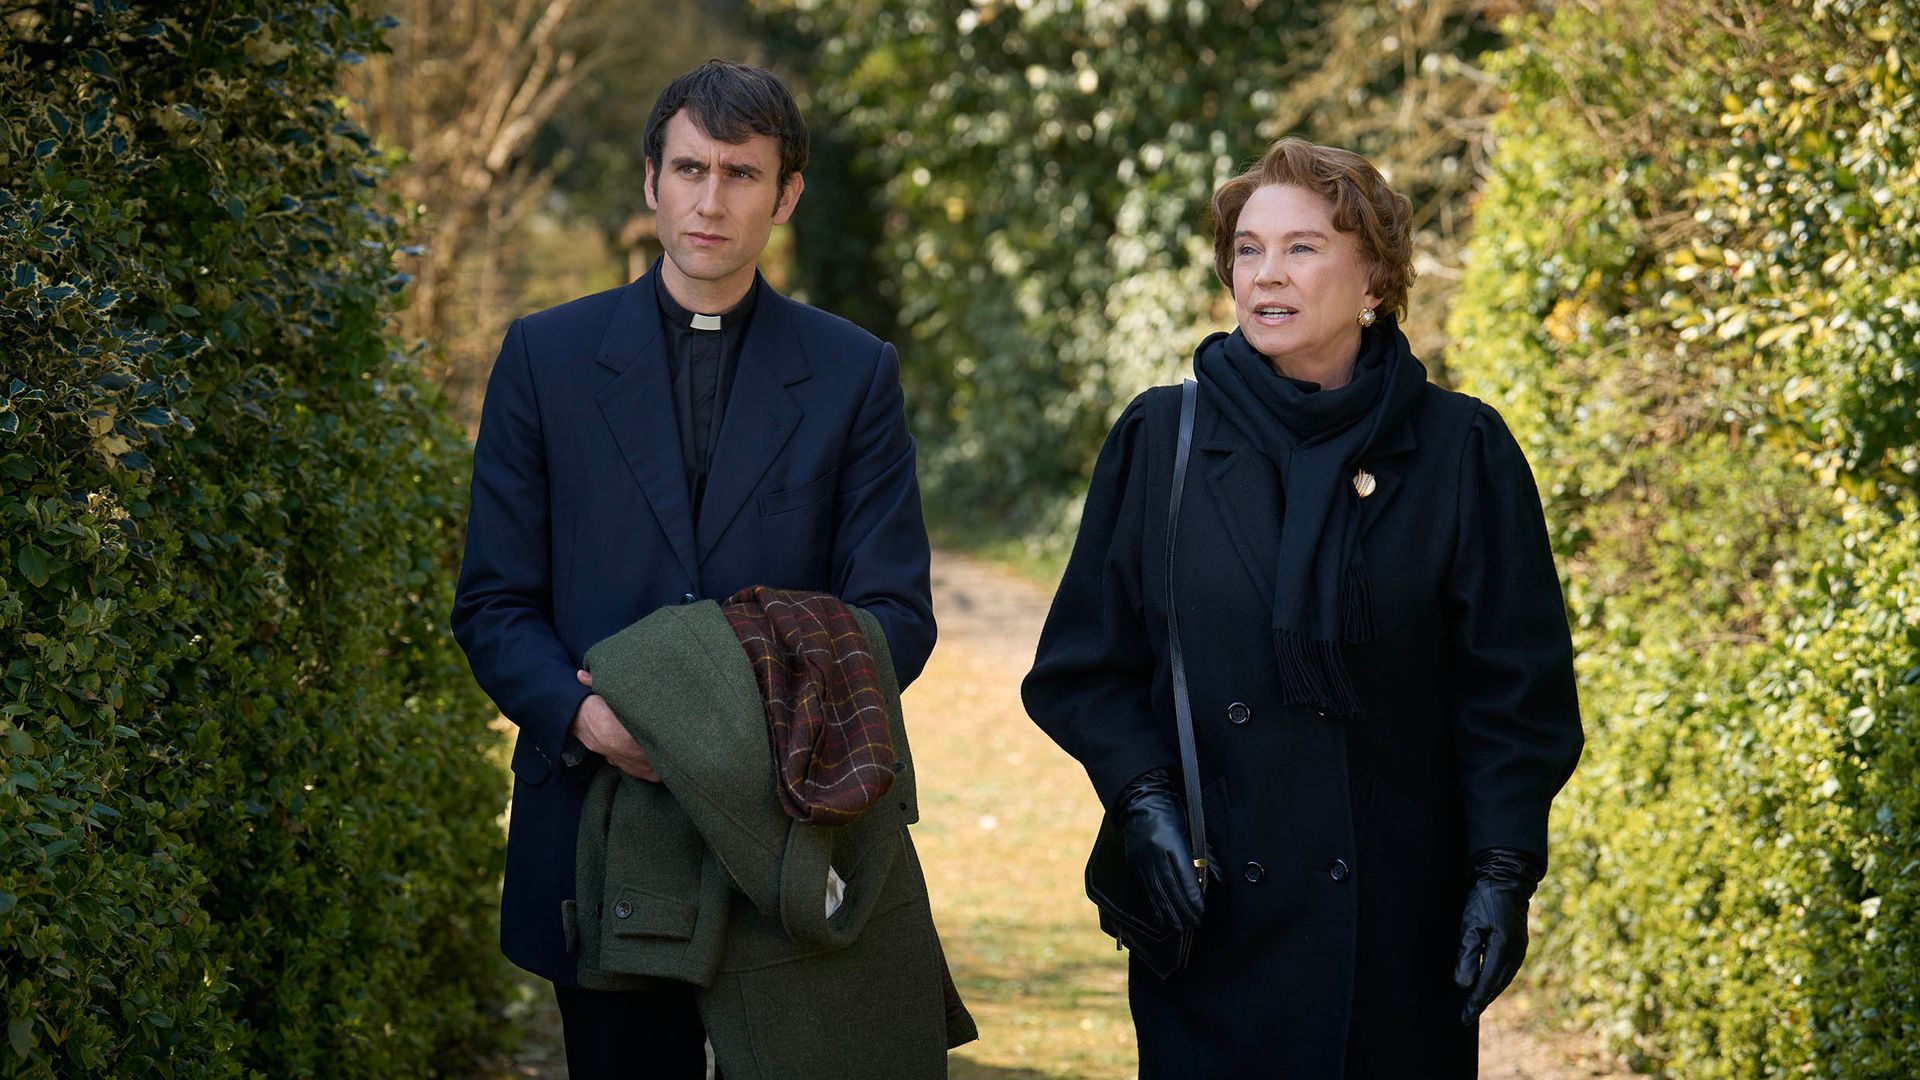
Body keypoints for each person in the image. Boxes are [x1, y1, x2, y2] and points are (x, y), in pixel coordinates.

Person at [1021, 137, 1583, 1078]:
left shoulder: (1461, 451)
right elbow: (1084, 668)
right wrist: (1146, 800)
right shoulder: (1162, 438)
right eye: (1248, 249)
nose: (1266, 275)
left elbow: (1514, 696)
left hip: (1400, 929)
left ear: (1375, 277)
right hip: (1213, 920)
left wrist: (1501, 872)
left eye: (1303, 247)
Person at [451, 60, 936, 1078]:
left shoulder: (853, 374)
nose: (711, 201)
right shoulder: (545, 358)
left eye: (742, 175)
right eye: (690, 169)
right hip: (593, 814)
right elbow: (495, 603)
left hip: (787, 822)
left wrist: (745, 733)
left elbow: (895, 611)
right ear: (651, 181)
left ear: (786, 194)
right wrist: (590, 719)